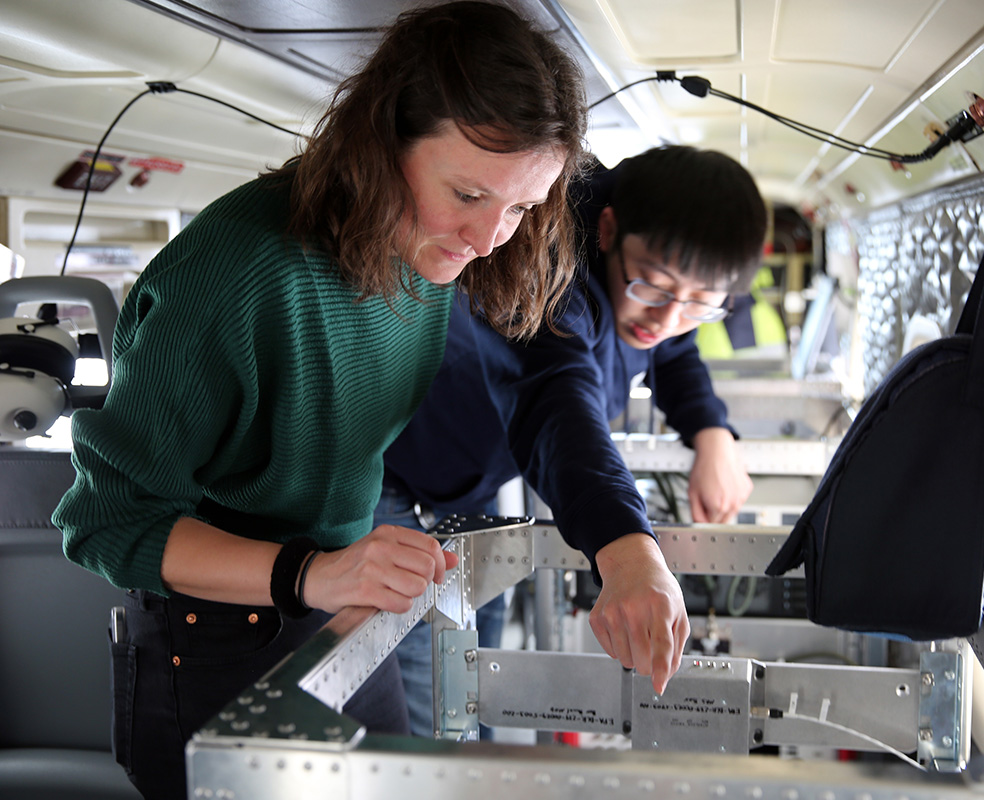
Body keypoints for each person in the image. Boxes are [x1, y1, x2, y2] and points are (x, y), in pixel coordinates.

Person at [51, 3, 586, 797]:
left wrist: (345, 569)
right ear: (384, 142)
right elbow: (105, 523)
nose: (487, 239)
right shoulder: (236, 274)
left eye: (519, 208)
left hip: (341, 609)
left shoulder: (421, 250)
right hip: (216, 641)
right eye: (470, 194)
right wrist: (313, 572)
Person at [381, 144, 768, 735]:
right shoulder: (550, 267)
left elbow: (672, 346)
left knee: (473, 670)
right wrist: (626, 546)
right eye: (655, 289)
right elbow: (561, 405)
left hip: (466, 484)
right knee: (435, 696)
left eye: (697, 306)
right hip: (393, 469)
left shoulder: (650, 283)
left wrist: (712, 432)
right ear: (609, 229)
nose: (664, 319)